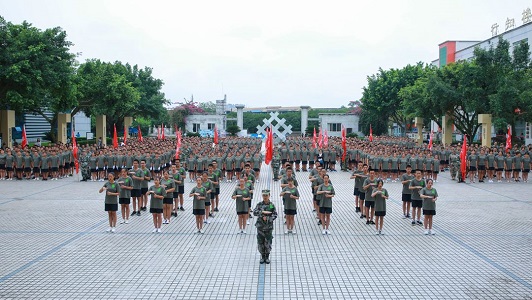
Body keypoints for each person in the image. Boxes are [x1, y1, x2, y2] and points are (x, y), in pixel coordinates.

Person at [253, 190, 278, 264]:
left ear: (269, 196)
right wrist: (262, 213)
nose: (265, 197)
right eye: (264, 195)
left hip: (268, 227)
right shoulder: (259, 204)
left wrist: (268, 218)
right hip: (260, 227)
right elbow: (254, 212)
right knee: (260, 242)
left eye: (266, 195)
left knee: (268, 242)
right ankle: (262, 256)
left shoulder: (271, 205)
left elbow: (275, 215)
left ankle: (267, 256)